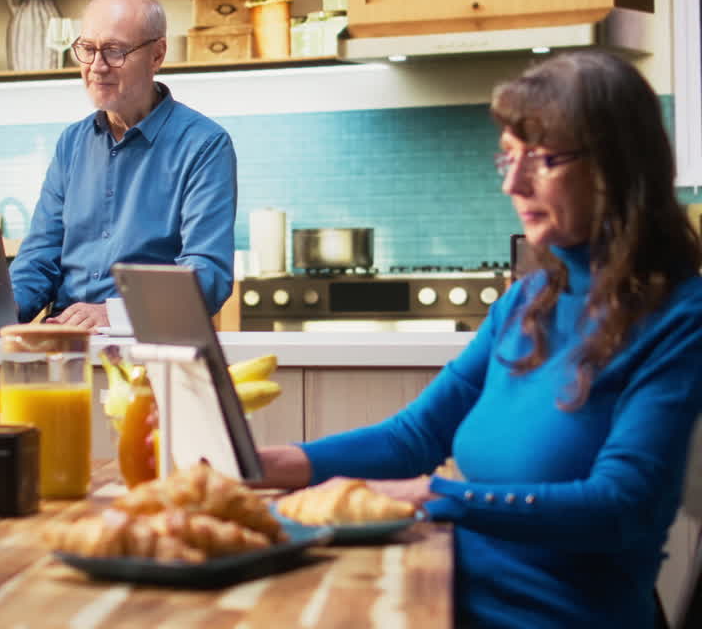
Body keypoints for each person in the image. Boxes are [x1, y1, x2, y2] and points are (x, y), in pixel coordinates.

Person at [256, 51, 702, 628]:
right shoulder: (526, 301)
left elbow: (621, 506)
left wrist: (434, 495)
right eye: (509, 158)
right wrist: (273, 463)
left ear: (616, 167)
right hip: (445, 598)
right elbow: (415, 436)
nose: (514, 183)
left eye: (542, 160)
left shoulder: (679, 318)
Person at [9, 0, 237, 329]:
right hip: (64, 340)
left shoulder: (204, 145)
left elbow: (208, 274)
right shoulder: (72, 142)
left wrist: (113, 314)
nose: (97, 67)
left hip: (151, 342)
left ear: (157, 55)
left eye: (114, 51)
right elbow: (40, 258)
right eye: (87, 49)